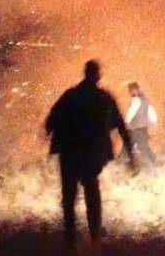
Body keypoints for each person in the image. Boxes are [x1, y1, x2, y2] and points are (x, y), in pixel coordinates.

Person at [45, 60, 134, 244]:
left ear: (85, 73)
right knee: (92, 192)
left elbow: (51, 121)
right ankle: (94, 237)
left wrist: (51, 139)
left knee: (69, 198)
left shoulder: (70, 96)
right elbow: (121, 126)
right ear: (97, 75)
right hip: (91, 154)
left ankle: (70, 241)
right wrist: (131, 153)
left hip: (69, 153)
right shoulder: (104, 98)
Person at [124, 82, 159, 168]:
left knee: (137, 147)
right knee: (142, 146)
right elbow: (152, 113)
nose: (131, 92)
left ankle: (152, 163)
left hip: (136, 128)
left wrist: (126, 121)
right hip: (144, 128)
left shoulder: (136, 101)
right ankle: (152, 162)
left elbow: (130, 113)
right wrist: (154, 122)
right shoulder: (145, 101)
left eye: (132, 90)